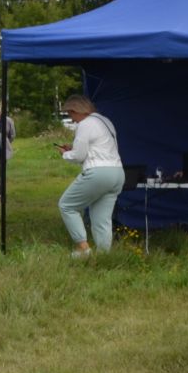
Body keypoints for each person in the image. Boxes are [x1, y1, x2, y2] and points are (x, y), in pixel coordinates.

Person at [56, 94, 125, 259]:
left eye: (70, 114)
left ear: (77, 110)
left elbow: (79, 156)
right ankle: (104, 257)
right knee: (102, 219)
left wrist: (65, 154)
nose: (72, 120)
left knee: (66, 205)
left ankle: (83, 248)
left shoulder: (85, 124)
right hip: (117, 173)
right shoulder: (105, 121)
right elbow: (99, 147)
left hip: (99, 173)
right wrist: (73, 147)